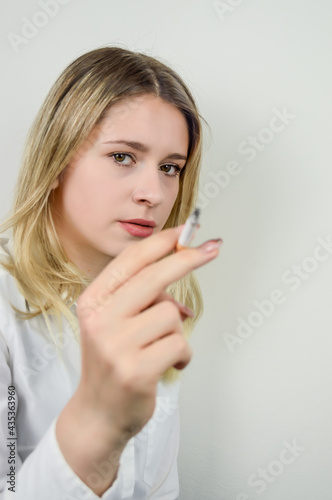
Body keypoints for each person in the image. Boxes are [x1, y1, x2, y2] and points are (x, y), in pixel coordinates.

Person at [0, 46, 222, 499]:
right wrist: (97, 423)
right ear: (57, 160)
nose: (154, 193)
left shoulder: (149, 311)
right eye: (123, 157)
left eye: (169, 168)